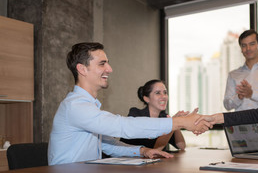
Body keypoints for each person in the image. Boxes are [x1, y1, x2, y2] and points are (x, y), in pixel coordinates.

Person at [48, 42, 211, 165]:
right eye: (102, 63)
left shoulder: (88, 107)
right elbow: (122, 126)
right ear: (82, 69)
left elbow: (108, 144)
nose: (110, 69)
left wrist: (142, 150)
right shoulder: (75, 106)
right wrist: (182, 121)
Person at [120, 80, 186, 151]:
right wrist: (173, 123)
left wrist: (176, 124)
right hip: (127, 159)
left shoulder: (164, 117)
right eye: (158, 93)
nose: (163, 96)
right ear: (147, 99)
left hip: (152, 161)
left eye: (165, 92)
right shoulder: (136, 114)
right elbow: (155, 149)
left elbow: (181, 146)